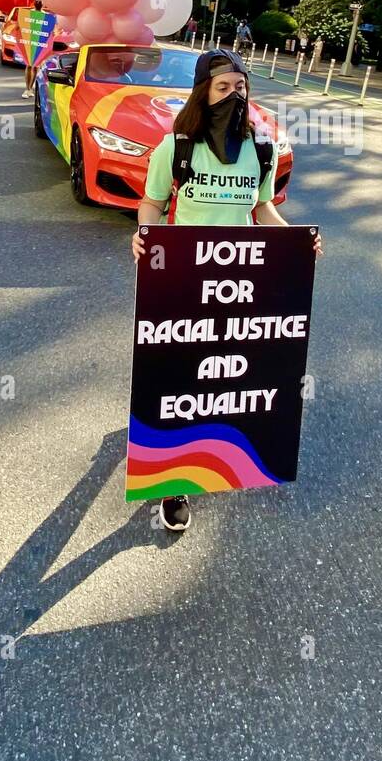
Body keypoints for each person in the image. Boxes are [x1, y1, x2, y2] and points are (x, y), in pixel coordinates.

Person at [131, 47, 322, 533]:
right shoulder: (175, 148)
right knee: (179, 379)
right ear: (203, 92)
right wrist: (145, 237)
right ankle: (172, 480)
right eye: (223, 87)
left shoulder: (262, 150)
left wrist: (297, 242)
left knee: (226, 377)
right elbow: (152, 203)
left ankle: (229, 447)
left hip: (242, 284)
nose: (234, 95)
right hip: (184, 281)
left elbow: (262, 209)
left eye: (241, 87)